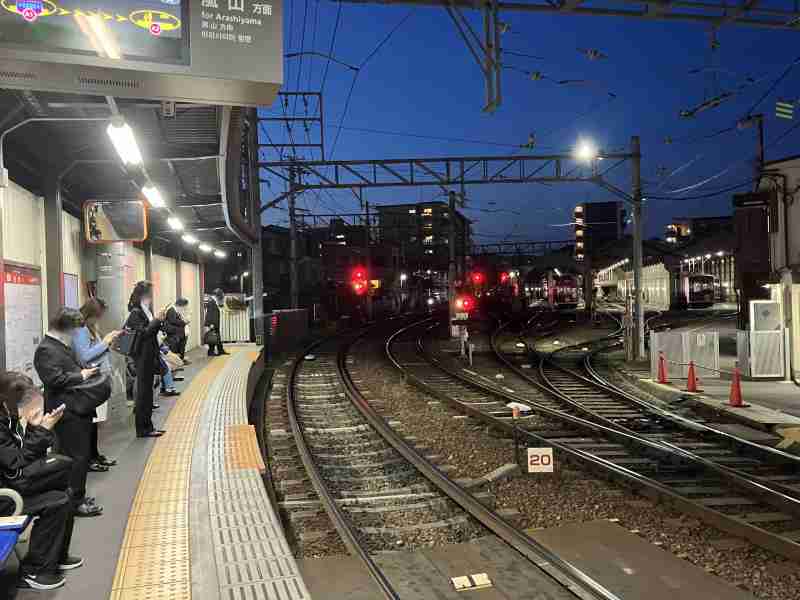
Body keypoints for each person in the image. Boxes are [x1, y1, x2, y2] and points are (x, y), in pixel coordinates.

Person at [0, 372, 83, 590]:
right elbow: (17, 465)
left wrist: (36, 427)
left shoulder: (9, 419)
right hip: (6, 495)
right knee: (57, 501)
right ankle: (33, 571)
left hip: (11, 483)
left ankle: (54, 557)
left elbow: (22, 458)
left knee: (67, 491)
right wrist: (42, 430)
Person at [33, 308, 103, 518]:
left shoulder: (60, 346)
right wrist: (81, 376)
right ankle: (73, 502)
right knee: (74, 457)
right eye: (74, 330)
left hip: (76, 409)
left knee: (79, 456)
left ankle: (77, 496)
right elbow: (53, 379)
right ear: (66, 328)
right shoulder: (46, 349)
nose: (76, 335)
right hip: (65, 411)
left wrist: (84, 371)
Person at [73, 298, 120, 473]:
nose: (100, 319)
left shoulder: (90, 328)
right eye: (98, 316)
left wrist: (107, 344)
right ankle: (90, 458)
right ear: (91, 314)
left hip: (99, 378)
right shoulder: (80, 330)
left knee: (95, 422)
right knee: (90, 423)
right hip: (91, 381)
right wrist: (105, 342)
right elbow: (84, 356)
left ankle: (95, 454)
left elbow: (97, 351)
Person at [125, 281, 167, 438]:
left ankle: (148, 426)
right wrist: (157, 320)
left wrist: (158, 320)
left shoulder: (144, 310)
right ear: (144, 294)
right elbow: (144, 334)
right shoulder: (136, 312)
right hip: (142, 358)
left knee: (148, 393)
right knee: (143, 394)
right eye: (150, 292)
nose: (152, 295)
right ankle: (143, 429)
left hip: (148, 356)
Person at [164, 298, 190, 364]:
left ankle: (181, 360)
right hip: (174, 335)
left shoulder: (177, 311)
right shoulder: (171, 310)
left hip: (179, 334)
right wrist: (184, 322)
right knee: (175, 349)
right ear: (180, 305)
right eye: (184, 306)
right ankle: (176, 362)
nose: (184, 308)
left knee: (181, 348)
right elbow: (173, 321)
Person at [203, 288, 228, 356]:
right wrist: (211, 324)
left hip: (214, 323)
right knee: (212, 337)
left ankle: (220, 350)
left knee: (217, 337)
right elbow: (210, 314)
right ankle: (211, 352)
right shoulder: (211, 302)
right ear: (218, 295)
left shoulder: (213, 301)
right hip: (212, 323)